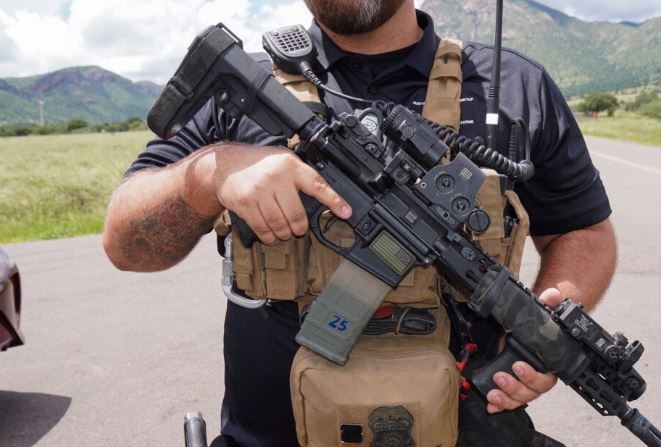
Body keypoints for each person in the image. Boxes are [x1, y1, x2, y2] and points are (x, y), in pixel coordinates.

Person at [103, 0, 617, 445]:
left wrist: (543, 332)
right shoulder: (248, 87)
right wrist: (209, 173)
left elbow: (582, 230)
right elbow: (126, 244)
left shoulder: (514, 85)